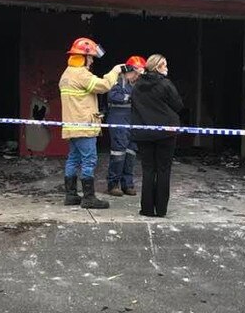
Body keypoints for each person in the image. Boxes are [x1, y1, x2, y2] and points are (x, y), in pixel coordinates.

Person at [59, 37, 122, 209]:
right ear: (83, 56)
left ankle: (71, 195)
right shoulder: (81, 75)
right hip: (84, 126)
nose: (92, 60)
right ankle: (89, 198)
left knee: (73, 159)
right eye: (91, 57)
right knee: (89, 160)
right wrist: (115, 71)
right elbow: (104, 86)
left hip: (72, 126)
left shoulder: (66, 74)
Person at [131, 54, 184, 218]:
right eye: (165, 65)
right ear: (157, 67)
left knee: (148, 169)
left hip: (143, 132)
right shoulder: (165, 84)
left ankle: (146, 209)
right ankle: (161, 210)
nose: (167, 68)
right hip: (166, 133)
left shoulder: (137, 85)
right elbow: (178, 105)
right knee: (163, 169)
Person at [106, 55, 147, 197]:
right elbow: (112, 96)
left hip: (133, 122)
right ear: (128, 70)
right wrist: (131, 97)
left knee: (131, 153)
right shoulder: (117, 80)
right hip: (118, 120)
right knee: (118, 153)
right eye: (135, 73)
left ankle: (127, 184)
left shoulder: (139, 83)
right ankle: (113, 184)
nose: (136, 76)